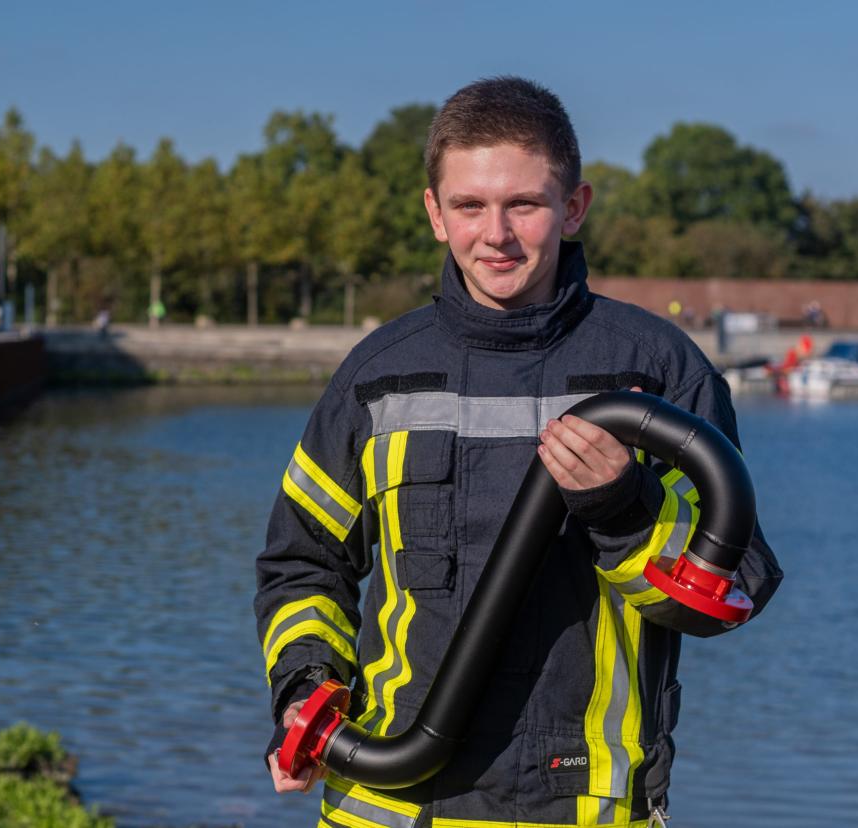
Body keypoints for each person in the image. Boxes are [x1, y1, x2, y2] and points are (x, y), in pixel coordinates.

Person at [253, 77, 782, 827]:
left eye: (523, 205)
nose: (495, 234)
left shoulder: (657, 370)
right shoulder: (377, 377)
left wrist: (625, 512)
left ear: (574, 207)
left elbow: (733, 594)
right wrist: (306, 689)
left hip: (582, 807)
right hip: (385, 801)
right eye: (469, 205)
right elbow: (303, 562)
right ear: (435, 213)